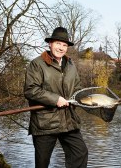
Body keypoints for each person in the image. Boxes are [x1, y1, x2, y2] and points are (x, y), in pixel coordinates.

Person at [24, 27, 88, 168]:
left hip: (68, 120)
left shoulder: (70, 65)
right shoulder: (37, 64)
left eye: (64, 45)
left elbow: (76, 87)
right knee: (42, 164)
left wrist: (81, 98)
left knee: (80, 152)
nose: (61, 48)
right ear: (50, 44)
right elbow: (31, 90)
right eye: (58, 43)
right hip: (45, 123)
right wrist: (56, 99)